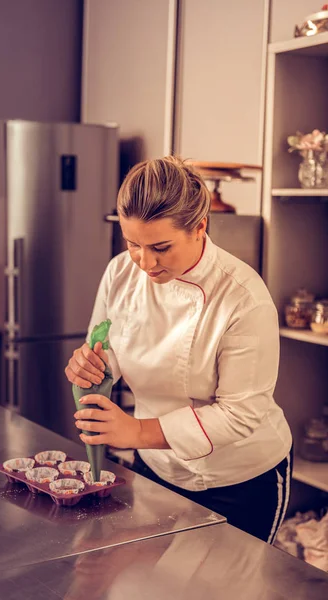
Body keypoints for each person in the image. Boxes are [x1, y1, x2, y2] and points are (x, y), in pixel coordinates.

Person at [65, 156, 293, 543]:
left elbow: (240, 413)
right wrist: (90, 365)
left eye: (161, 247)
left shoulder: (243, 298)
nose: (145, 263)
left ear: (200, 227)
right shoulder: (120, 273)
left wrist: (136, 430)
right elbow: (108, 351)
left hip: (238, 479)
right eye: (132, 244)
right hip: (154, 464)